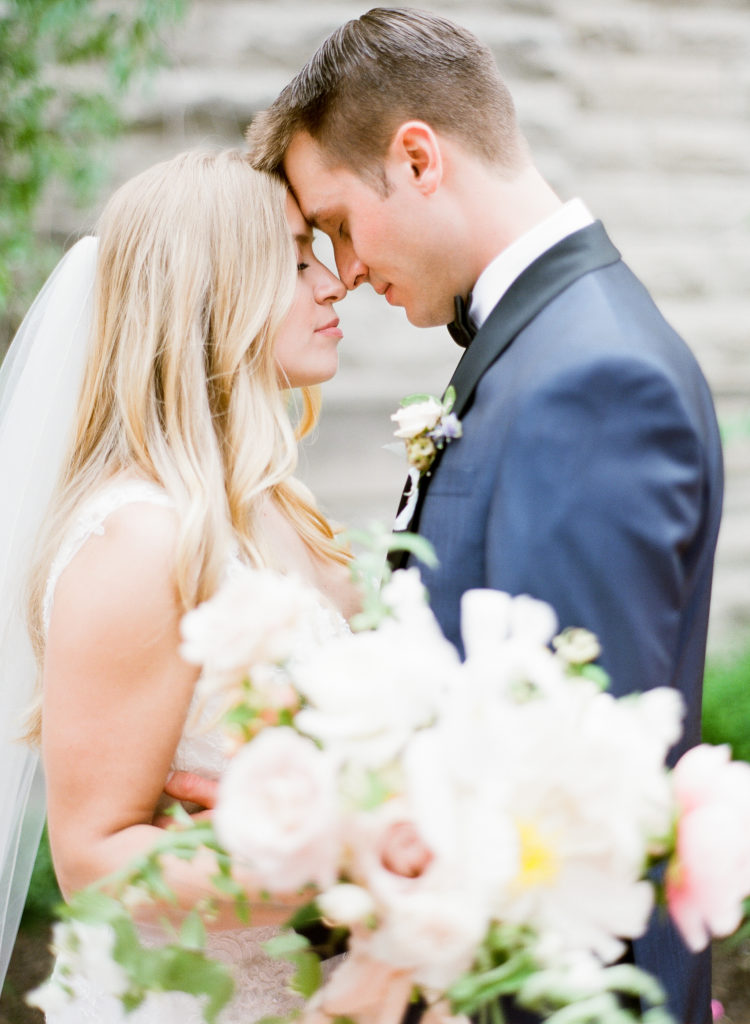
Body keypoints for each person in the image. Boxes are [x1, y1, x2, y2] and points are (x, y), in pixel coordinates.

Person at [244, 8, 723, 1023]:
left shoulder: (591, 380)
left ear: (417, 158)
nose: (343, 270)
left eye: (335, 222)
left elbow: (580, 800)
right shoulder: (545, 348)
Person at [0, 148, 359, 1022]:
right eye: (296, 259)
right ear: (209, 293)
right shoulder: (137, 540)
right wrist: (339, 853)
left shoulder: (282, 507)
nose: (334, 283)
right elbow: (95, 862)